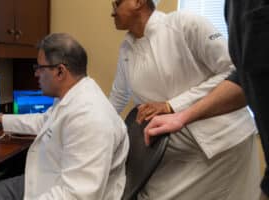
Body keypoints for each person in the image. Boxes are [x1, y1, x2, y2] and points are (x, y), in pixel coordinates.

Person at [109, 0, 260, 199]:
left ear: (138, 2)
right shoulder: (127, 48)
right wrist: (97, 130)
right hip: (171, 151)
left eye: (117, 3)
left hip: (221, 146)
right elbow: (118, 97)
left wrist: (172, 105)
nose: (112, 12)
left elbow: (233, 72)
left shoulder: (185, 24)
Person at [0, 33, 129, 200]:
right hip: (51, 179)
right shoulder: (72, 97)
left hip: (59, 191)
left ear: (60, 71)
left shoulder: (89, 117)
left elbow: (77, 196)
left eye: (39, 68)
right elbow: (43, 121)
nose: (36, 74)